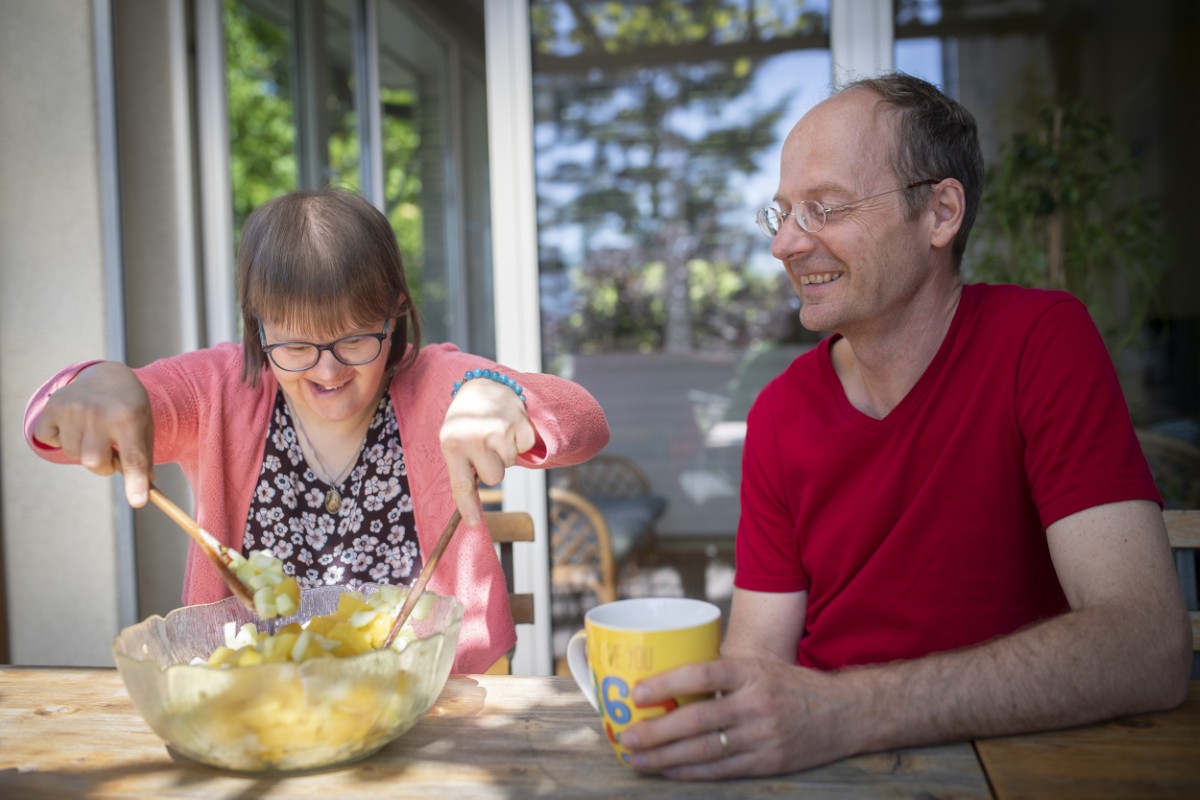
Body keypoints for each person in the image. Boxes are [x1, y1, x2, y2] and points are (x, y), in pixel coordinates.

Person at [618, 73, 1191, 778]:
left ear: (940, 213)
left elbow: (1147, 647)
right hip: (819, 774)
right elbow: (757, 666)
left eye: (824, 208)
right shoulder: (780, 412)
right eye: (782, 214)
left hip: (1011, 766)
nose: (786, 246)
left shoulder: (1041, 342)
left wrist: (845, 711)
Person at [24, 187, 610, 673]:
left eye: (355, 337)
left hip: (436, 697)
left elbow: (585, 422)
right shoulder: (220, 390)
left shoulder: (434, 384)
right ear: (259, 329)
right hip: (258, 698)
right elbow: (51, 427)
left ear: (395, 312)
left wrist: (499, 395)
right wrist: (98, 382)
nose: (328, 370)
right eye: (297, 345)